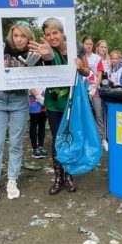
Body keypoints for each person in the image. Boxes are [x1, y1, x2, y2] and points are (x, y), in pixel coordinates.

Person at [28, 18, 91, 195]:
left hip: (73, 100)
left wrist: (80, 68)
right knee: (58, 139)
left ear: (62, 32)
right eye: (48, 34)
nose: (52, 37)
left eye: (55, 33)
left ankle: (70, 175)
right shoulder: (46, 49)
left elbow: (87, 71)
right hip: (54, 101)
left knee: (72, 137)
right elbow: (47, 58)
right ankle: (58, 178)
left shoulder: (77, 47)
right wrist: (45, 54)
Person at [0, 22, 40, 203]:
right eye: (15, 35)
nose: (18, 39)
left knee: (16, 142)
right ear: (11, 35)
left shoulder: (32, 54)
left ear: (28, 38)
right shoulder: (4, 48)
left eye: (22, 36)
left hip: (19, 100)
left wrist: (30, 67)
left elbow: (35, 78)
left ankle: (12, 180)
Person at [28, 87, 48, 159]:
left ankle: (41, 146)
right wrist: (40, 98)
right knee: (34, 124)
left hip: (46, 98)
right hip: (34, 100)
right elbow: (30, 87)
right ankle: (35, 148)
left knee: (42, 125)